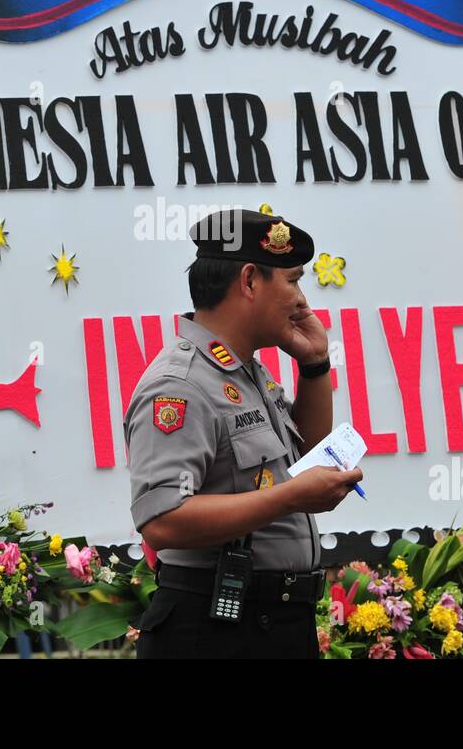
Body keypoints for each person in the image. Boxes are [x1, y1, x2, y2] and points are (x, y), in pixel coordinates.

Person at [124, 208, 363, 659]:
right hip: (215, 631)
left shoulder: (243, 371)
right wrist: (290, 498)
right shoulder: (181, 385)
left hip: (271, 624)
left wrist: (315, 364)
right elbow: (161, 520)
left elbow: (306, 454)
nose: (301, 299)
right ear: (250, 281)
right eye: (292, 280)